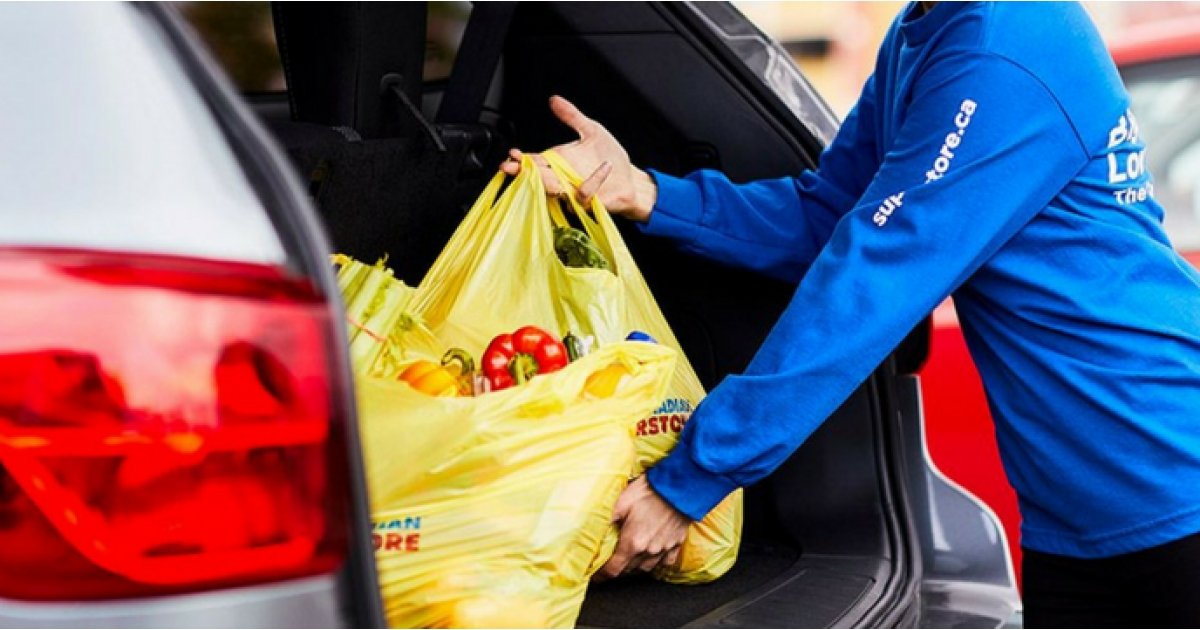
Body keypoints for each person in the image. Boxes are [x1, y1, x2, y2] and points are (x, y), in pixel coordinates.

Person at [503, 2, 1200, 626]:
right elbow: (828, 215)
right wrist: (644, 191)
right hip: (1069, 518)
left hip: (1169, 481)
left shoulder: (1007, 41)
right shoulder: (926, 29)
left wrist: (694, 474)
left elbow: (874, 279)